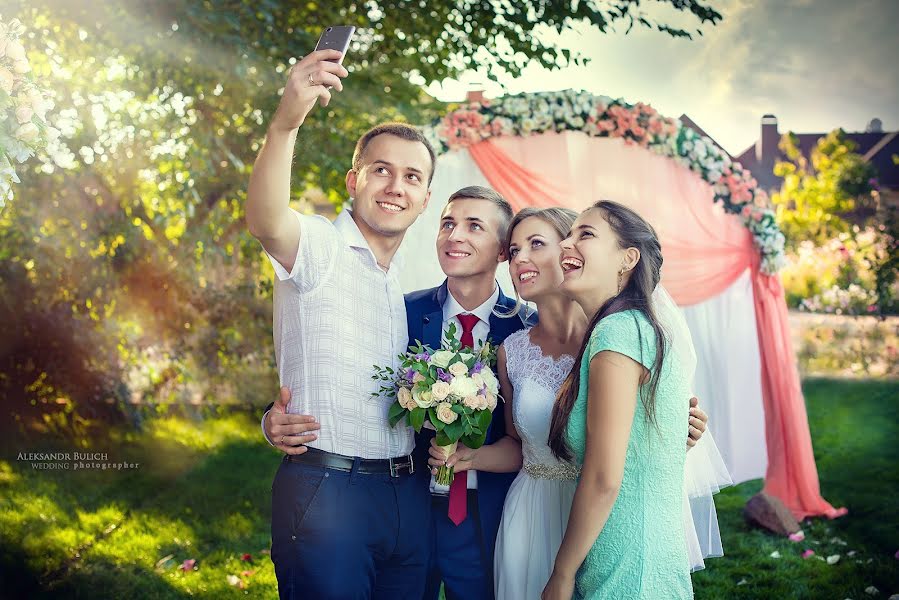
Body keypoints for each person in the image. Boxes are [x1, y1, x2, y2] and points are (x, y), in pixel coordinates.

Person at [427, 208, 721, 599]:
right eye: (513, 251)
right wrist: (469, 457)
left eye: (537, 244)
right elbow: (521, 444)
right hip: (530, 512)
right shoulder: (512, 349)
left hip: (601, 513)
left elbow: (629, 446)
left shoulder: (611, 332)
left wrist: (677, 426)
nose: (520, 260)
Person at [246, 47, 437, 599]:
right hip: (327, 489)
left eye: (411, 177)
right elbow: (265, 219)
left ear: (424, 200)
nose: (395, 186)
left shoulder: (407, 279)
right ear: (354, 180)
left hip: (407, 493)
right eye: (381, 170)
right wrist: (286, 123)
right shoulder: (320, 247)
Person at [543, 200, 696, 600]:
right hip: (639, 557)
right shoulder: (637, 327)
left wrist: (561, 574)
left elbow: (603, 479)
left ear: (627, 259)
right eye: (568, 235)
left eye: (585, 235)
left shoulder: (619, 333)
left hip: (629, 569)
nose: (565, 245)